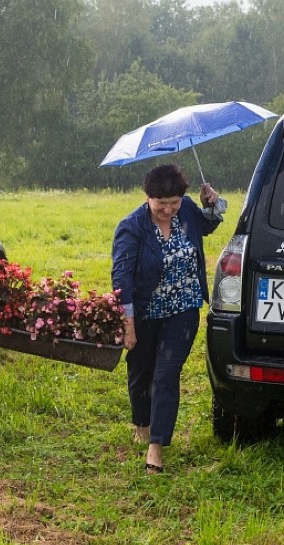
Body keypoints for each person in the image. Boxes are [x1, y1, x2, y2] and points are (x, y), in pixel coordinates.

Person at [111, 164, 224, 474]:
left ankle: (156, 447)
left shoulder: (186, 210)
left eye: (174, 202)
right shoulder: (132, 227)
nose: (169, 210)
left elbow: (209, 225)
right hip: (146, 310)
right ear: (149, 197)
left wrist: (212, 203)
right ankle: (142, 423)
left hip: (184, 308)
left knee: (166, 373)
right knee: (140, 371)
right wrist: (128, 323)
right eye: (162, 203)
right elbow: (121, 278)